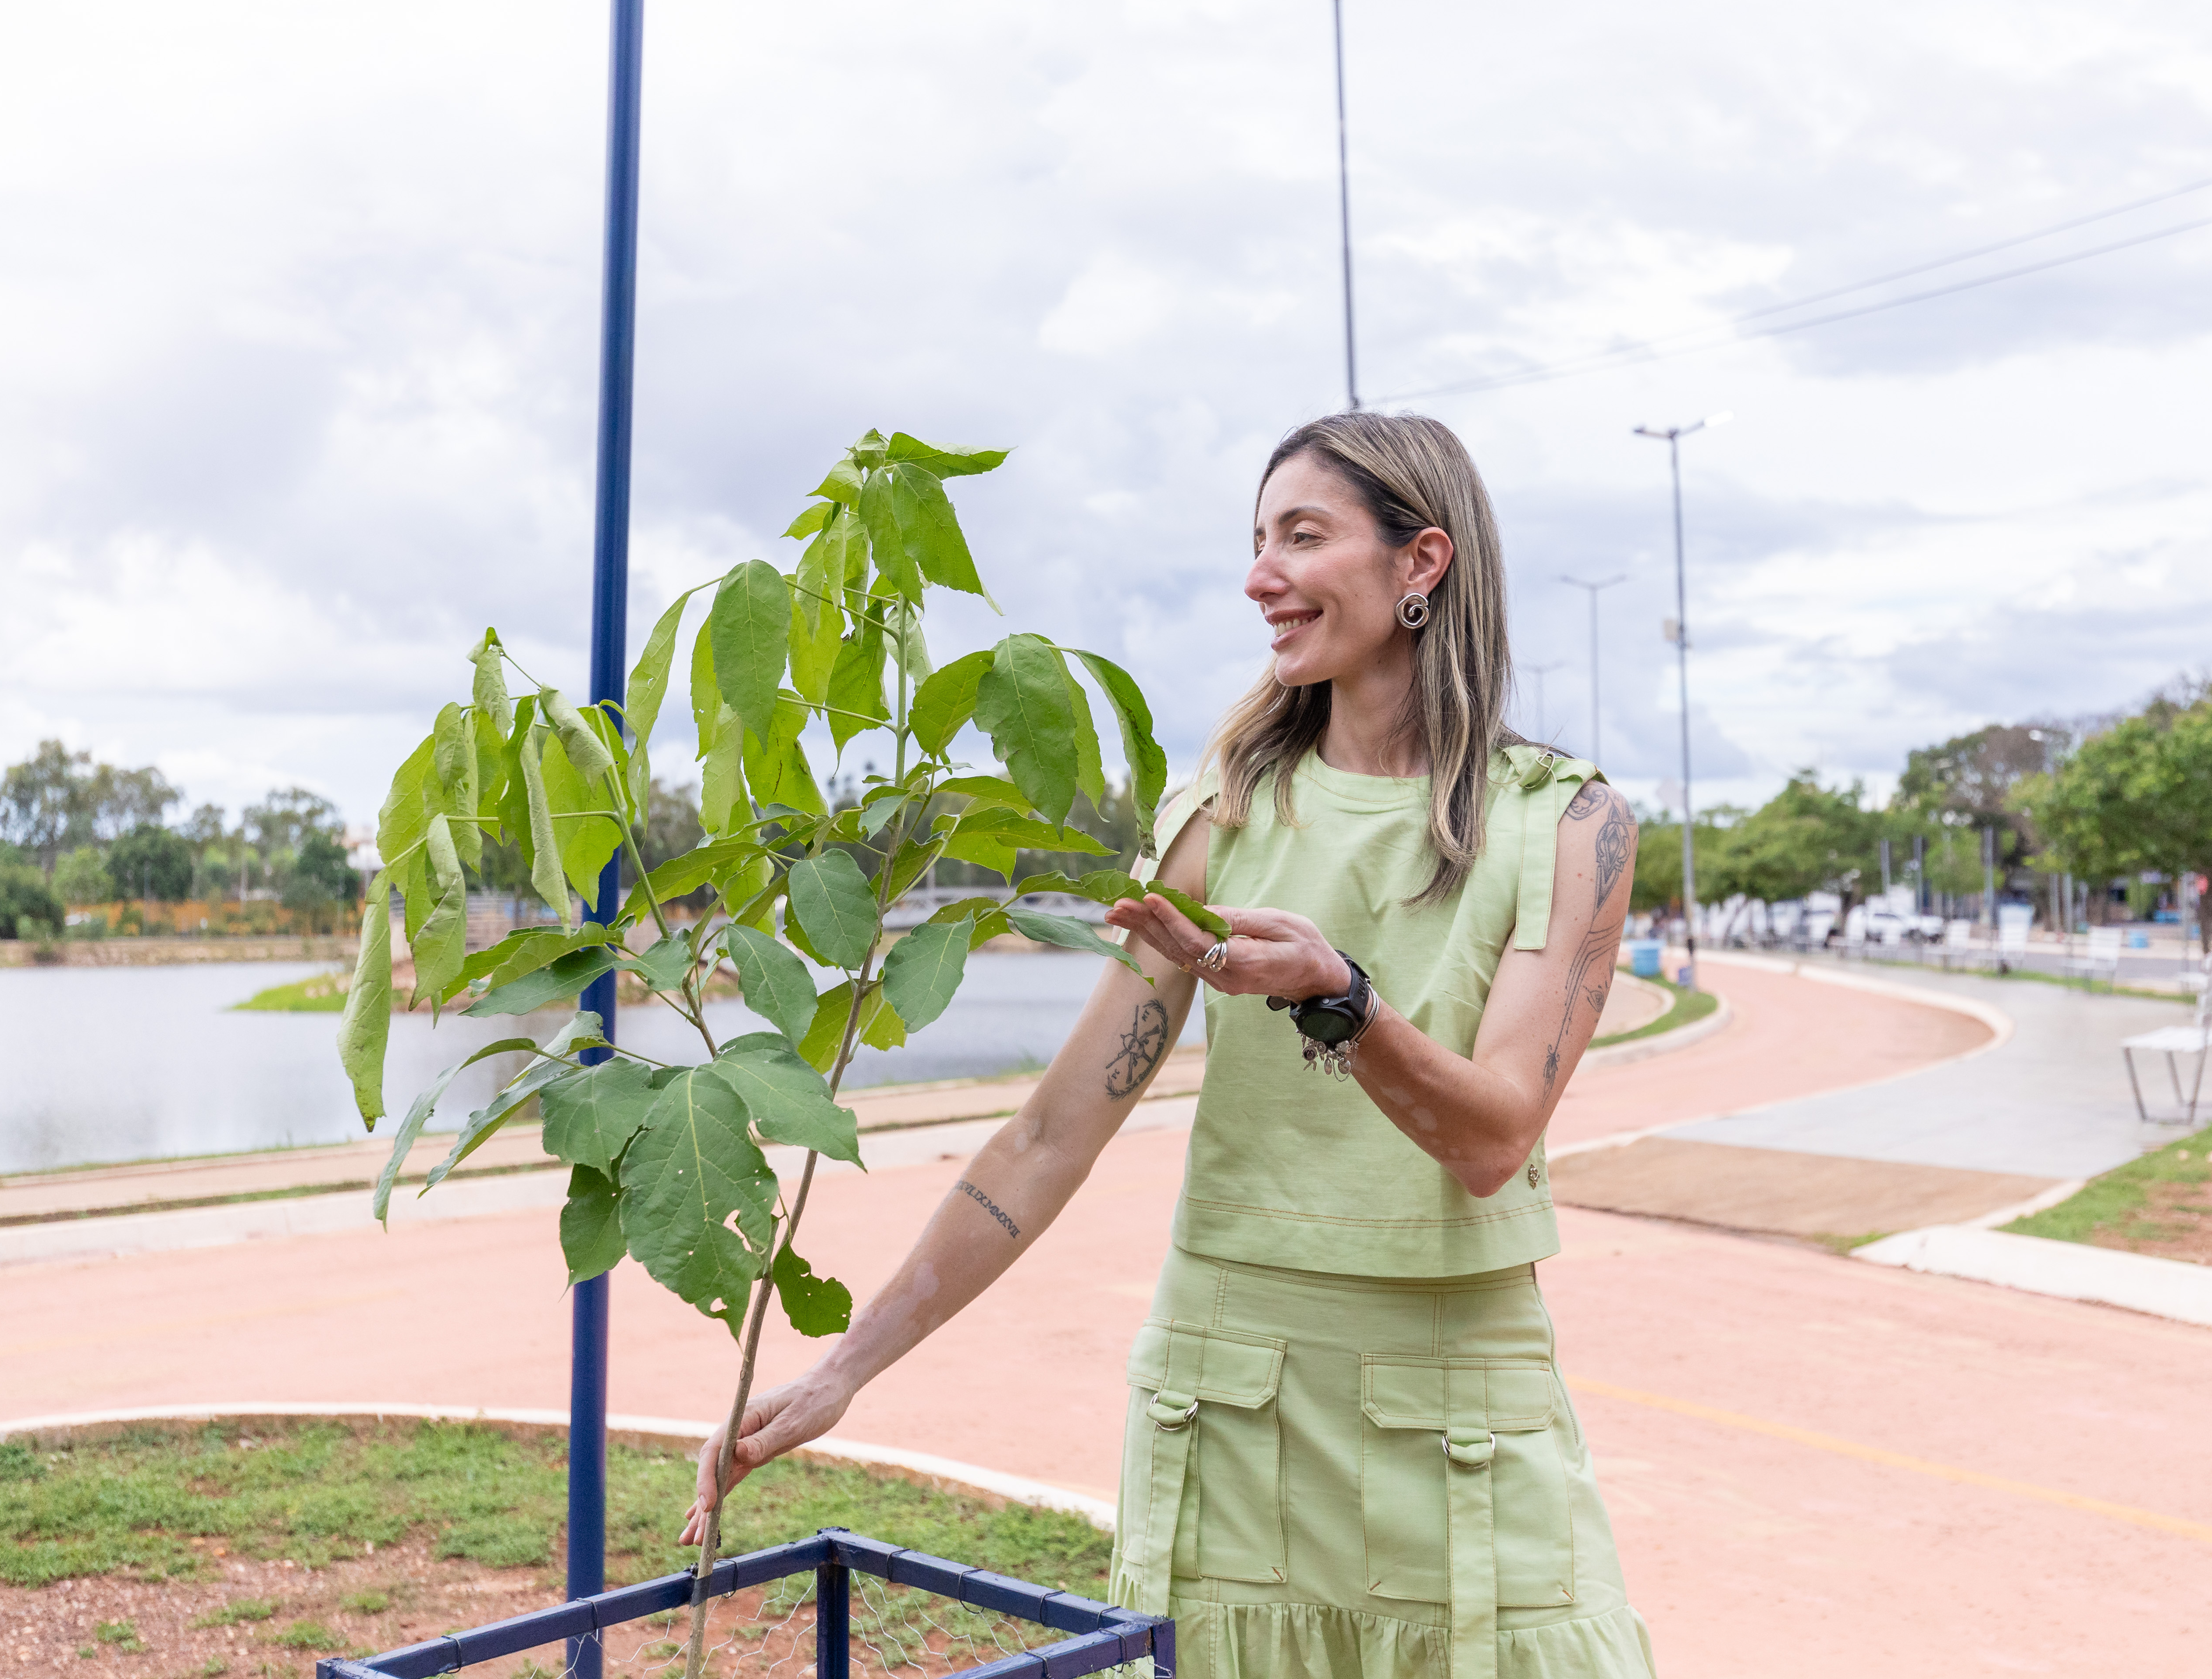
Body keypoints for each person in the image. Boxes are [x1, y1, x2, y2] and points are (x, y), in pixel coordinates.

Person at [686, 412, 1660, 1677]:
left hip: (1461, 1404)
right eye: (1258, 542)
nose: (1261, 576)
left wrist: (1342, 1001)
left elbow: (1493, 1139)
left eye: (1301, 538)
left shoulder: (1567, 822)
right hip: (1229, 1405)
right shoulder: (1222, 816)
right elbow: (1049, 1136)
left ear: (1422, 562)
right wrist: (843, 1371)